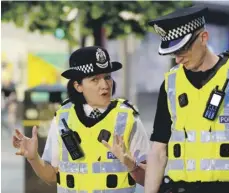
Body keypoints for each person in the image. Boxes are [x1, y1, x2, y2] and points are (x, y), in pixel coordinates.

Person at [144, 5, 229, 193]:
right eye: (174, 53)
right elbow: (158, 150)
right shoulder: (171, 84)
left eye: (183, 50)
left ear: (203, 38)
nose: (178, 59)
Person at [12, 46, 150, 193]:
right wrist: (33, 158)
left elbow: (151, 178)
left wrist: (130, 164)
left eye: (107, 77)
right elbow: (52, 175)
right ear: (78, 86)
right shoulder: (63, 118)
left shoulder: (127, 118)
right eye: (95, 79)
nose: (105, 85)